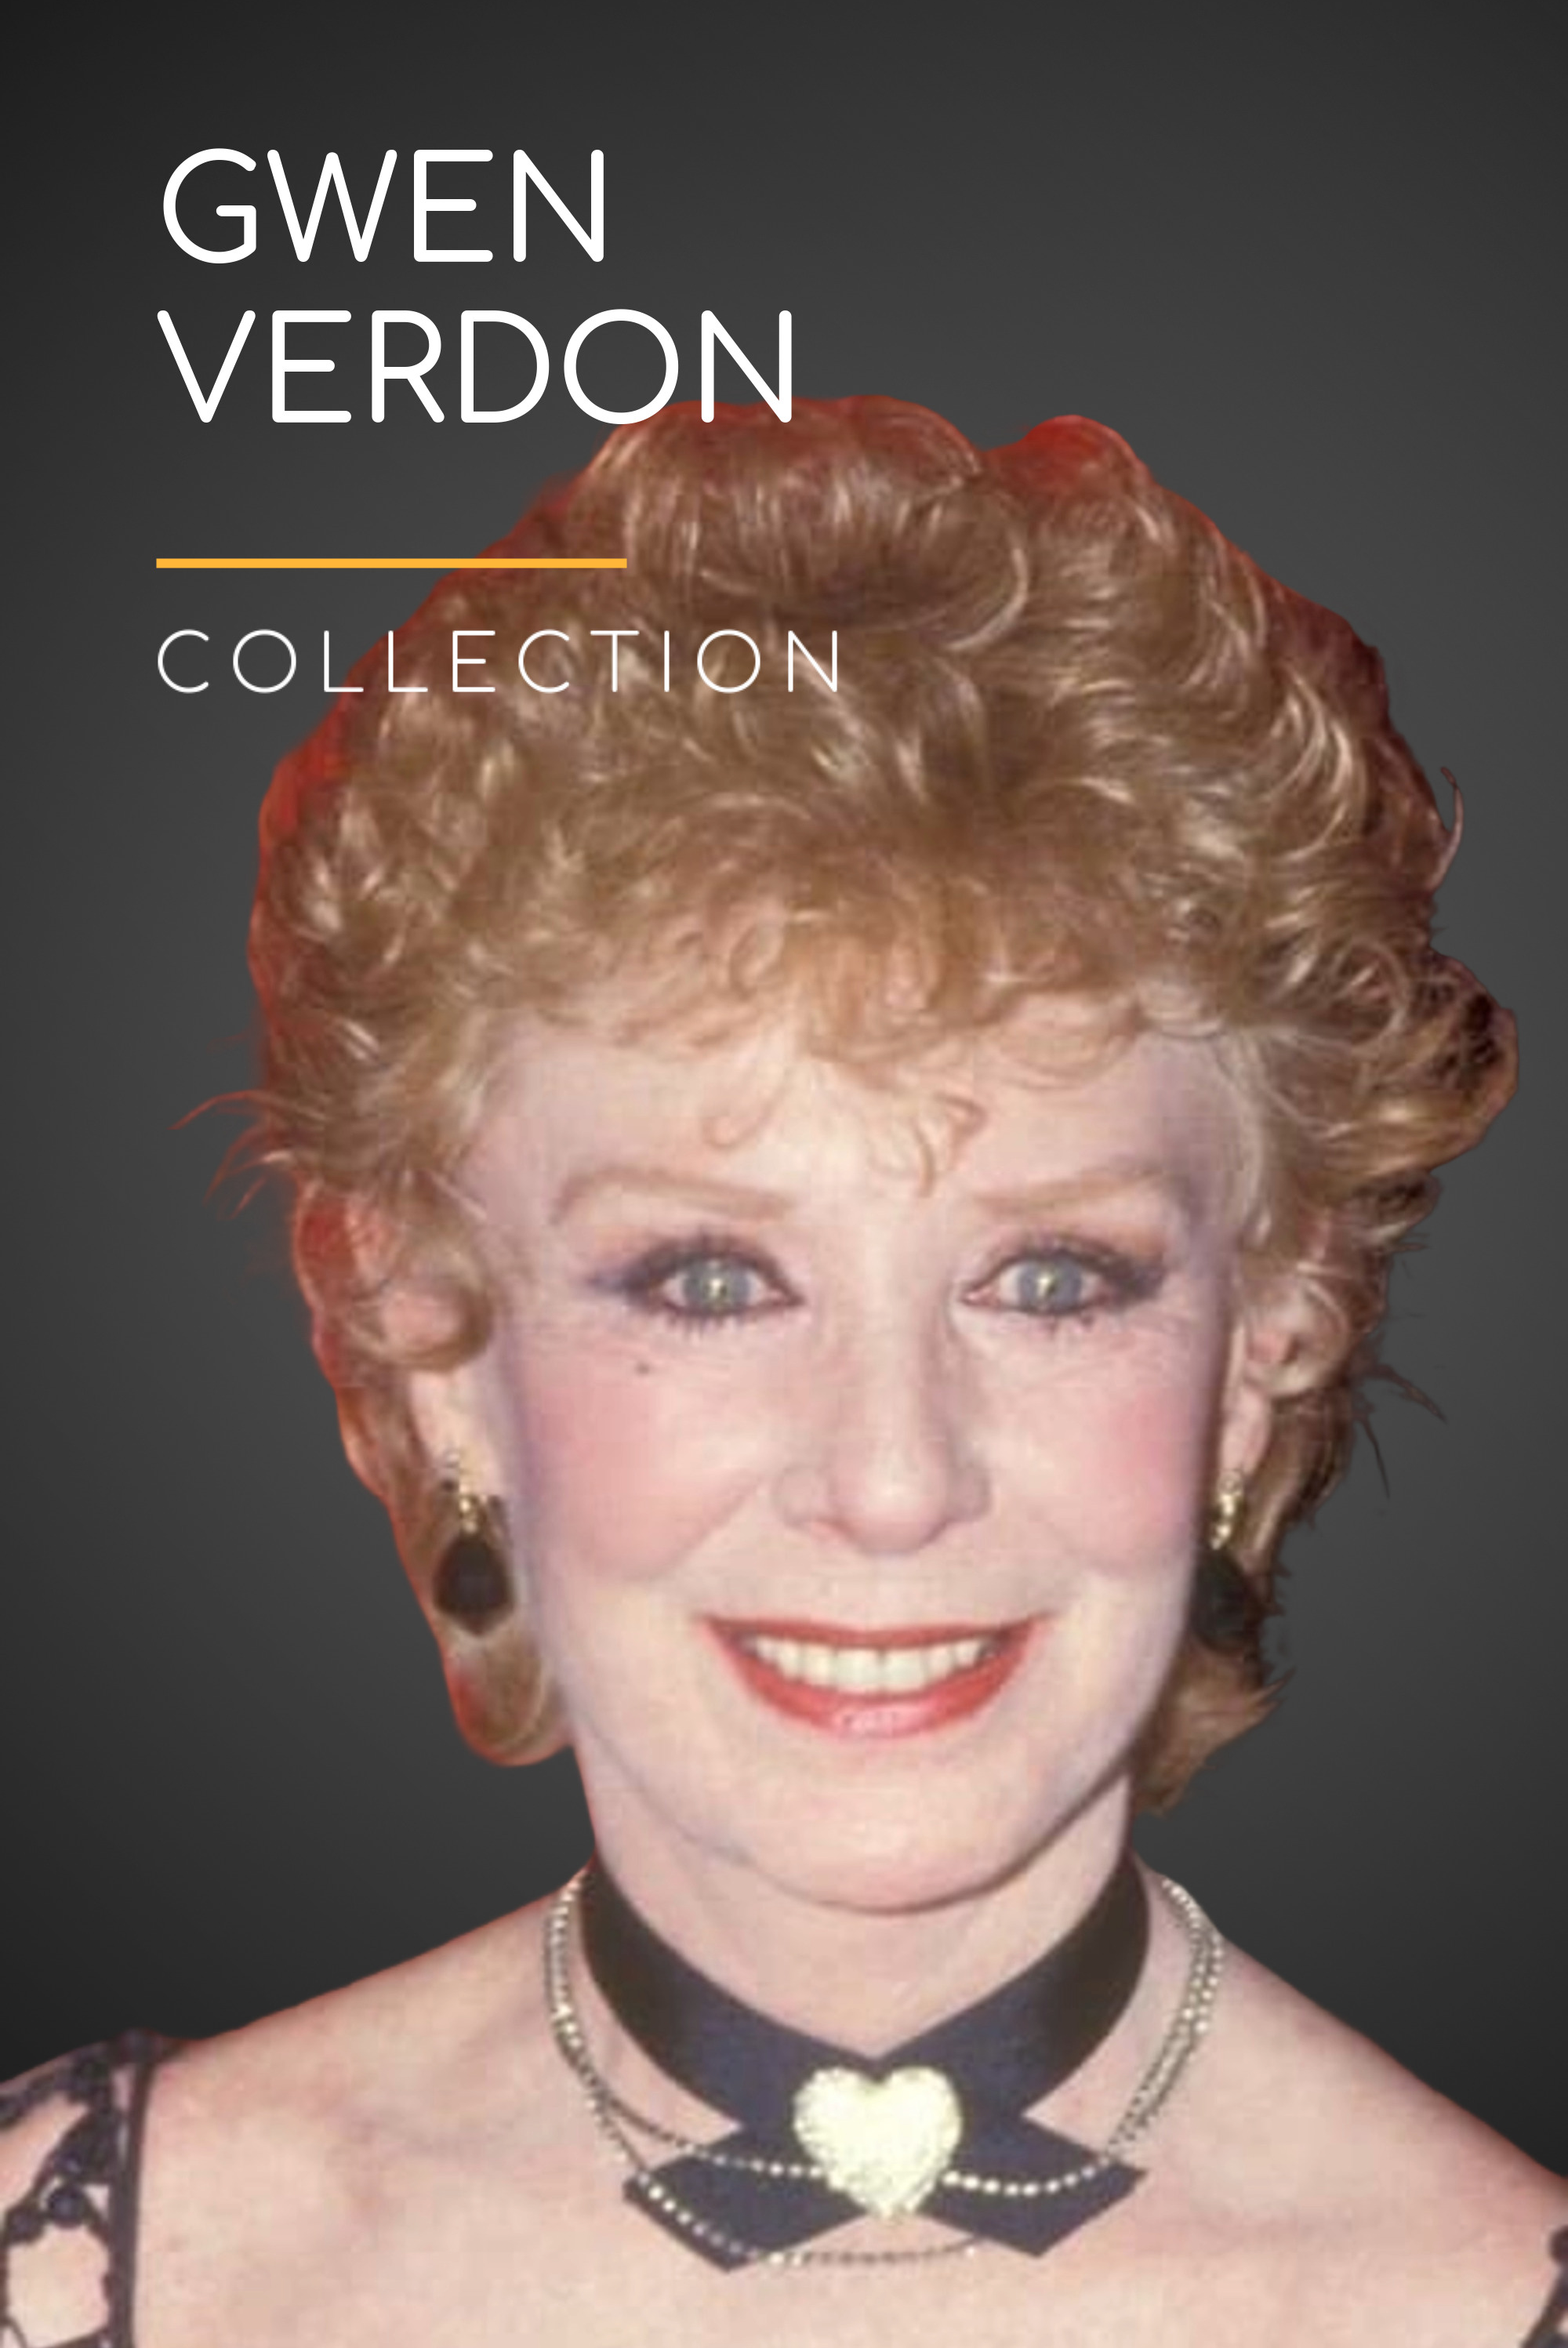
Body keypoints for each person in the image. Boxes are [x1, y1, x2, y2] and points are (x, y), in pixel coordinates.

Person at [3, 399, 1563, 2345]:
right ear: (433, 1355)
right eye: (712, 1280)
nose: (892, 1480)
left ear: (1263, 1355)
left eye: (1051, 1279)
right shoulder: (72, 2268)